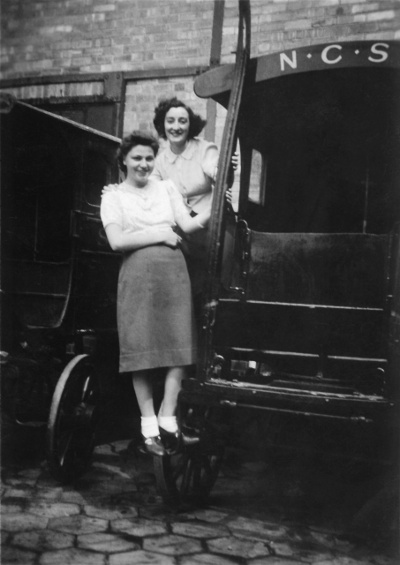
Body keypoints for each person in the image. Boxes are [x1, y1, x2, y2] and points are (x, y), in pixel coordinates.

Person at [100, 131, 210, 457]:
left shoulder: (166, 187)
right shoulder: (113, 196)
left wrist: (218, 201)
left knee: (181, 349)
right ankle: (149, 430)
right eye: (137, 158)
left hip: (174, 274)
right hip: (136, 275)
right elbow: (117, 241)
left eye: (149, 158)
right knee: (141, 353)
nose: (144, 164)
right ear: (124, 161)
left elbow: (187, 225)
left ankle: (167, 418)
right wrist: (160, 234)